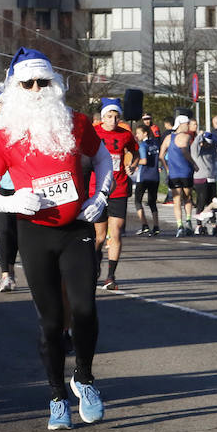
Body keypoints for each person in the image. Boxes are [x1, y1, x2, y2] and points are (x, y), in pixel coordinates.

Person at [0, 47, 116, 429]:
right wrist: (11, 199)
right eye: (28, 82)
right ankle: (56, 397)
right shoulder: (4, 135)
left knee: (85, 308)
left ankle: (84, 378)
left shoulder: (75, 122)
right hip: (34, 233)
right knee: (50, 323)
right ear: (15, 87)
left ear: (54, 84)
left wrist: (100, 197)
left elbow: (102, 159)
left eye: (42, 81)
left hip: (76, 228)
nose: (35, 89)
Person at [90, 98, 135, 290]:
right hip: (97, 188)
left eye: (116, 116)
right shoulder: (93, 132)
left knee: (115, 233)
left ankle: (110, 276)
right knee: (99, 237)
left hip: (119, 187)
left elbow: (134, 152)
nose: (113, 120)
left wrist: (131, 165)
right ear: (103, 117)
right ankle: (94, 266)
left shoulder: (125, 135)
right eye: (109, 116)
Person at [162, 115, 193, 236]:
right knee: (187, 198)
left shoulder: (169, 138)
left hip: (174, 174)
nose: (188, 126)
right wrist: (194, 164)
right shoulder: (186, 136)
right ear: (181, 124)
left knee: (177, 200)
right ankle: (188, 221)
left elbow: (161, 155)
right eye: (187, 124)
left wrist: (167, 167)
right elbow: (185, 152)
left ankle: (180, 225)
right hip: (186, 172)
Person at [132, 123, 161, 236]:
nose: (136, 135)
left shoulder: (142, 145)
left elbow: (144, 161)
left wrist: (133, 163)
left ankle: (144, 225)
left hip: (143, 176)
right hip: (155, 176)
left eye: (138, 133)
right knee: (152, 202)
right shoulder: (155, 144)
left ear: (145, 133)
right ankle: (156, 226)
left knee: (138, 201)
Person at [0, 170, 17, 291]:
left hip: (20, 186)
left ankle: (10, 268)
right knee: (3, 229)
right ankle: (5, 275)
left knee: (15, 232)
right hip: (0, 188)